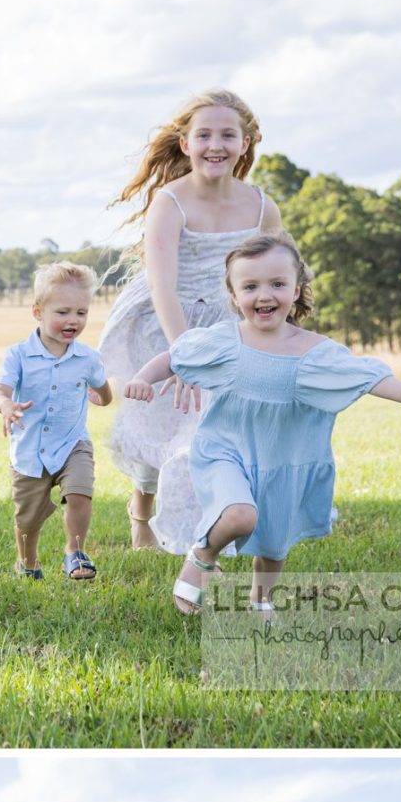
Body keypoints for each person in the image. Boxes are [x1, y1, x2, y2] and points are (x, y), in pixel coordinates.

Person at [124, 234, 401, 613]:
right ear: (234, 296)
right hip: (225, 452)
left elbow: (364, 376)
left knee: (273, 544)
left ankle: (260, 603)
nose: (264, 295)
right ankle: (202, 555)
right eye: (250, 286)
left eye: (277, 284)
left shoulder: (313, 350)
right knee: (239, 515)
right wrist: (141, 377)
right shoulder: (225, 341)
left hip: (283, 463)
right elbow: (176, 355)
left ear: (296, 290)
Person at [97, 90, 280, 553]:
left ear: (246, 142)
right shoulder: (170, 201)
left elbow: (277, 270)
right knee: (160, 427)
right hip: (166, 322)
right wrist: (184, 353)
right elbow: (161, 283)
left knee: (211, 428)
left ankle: (209, 523)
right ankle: (142, 512)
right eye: (204, 135)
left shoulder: (262, 207)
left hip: (226, 328)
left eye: (226, 135)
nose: (214, 145)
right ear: (185, 144)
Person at [0, 262, 112, 582]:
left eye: (81, 312)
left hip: (73, 442)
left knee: (80, 492)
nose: (73, 320)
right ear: (38, 312)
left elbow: (103, 388)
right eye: (62, 312)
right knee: (27, 519)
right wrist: (5, 405)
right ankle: (27, 563)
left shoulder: (88, 358)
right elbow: (0, 389)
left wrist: (103, 398)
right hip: (30, 450)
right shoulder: (19, 354)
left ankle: (75, 552)